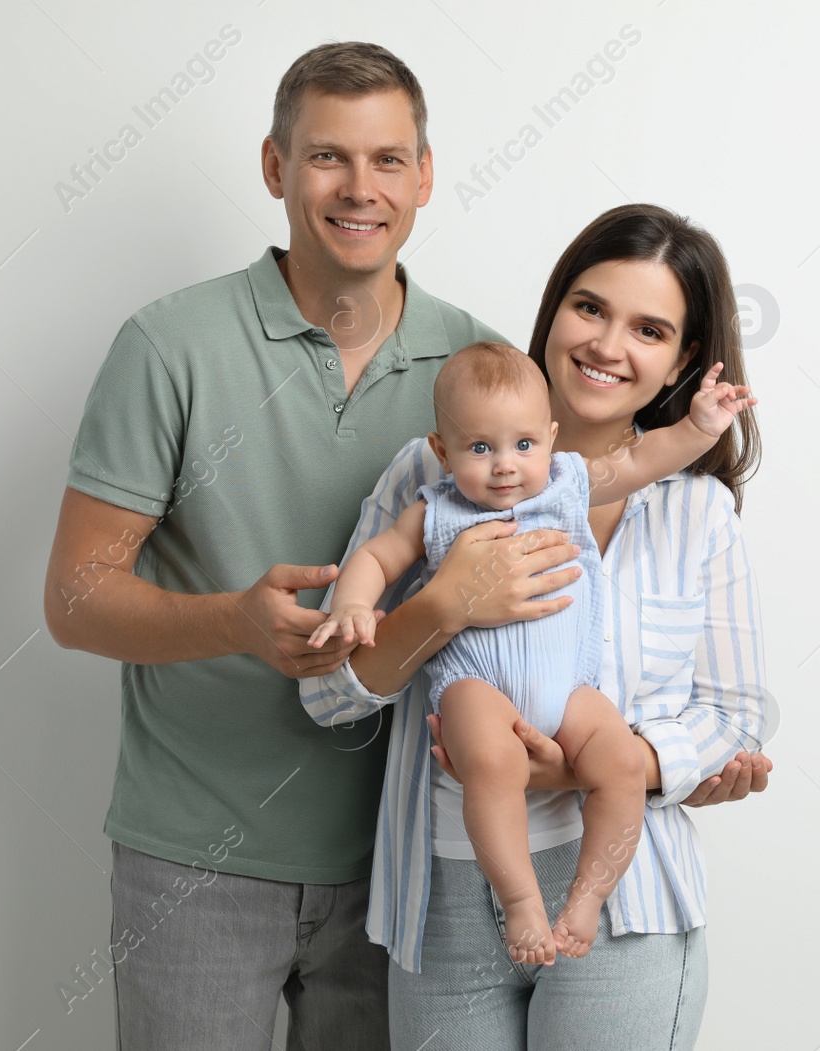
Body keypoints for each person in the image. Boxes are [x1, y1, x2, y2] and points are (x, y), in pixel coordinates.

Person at [41, 42, 565, 1050]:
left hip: (411, 858)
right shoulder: (168, 345)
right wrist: (235, 618)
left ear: (423, 174)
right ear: (276, 168)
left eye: (386, 159)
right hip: (193, 856)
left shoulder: (489, 376)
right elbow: (72, 600)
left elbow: (542, 590)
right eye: (327, 157)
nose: (359, 188)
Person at [299, 203, 775, 1049]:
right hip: (443, 899)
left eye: (650, 328)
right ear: (555, 309)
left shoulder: (698, 513)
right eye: (590, 307)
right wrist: (442, 603)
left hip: (627, 908)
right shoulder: (427, 475)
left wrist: (594, 766)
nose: (606, 343)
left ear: (684, 359)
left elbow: (732, 715)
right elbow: (326, 696)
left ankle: (582, 886)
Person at [307, 340, 756, 964]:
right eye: (479, 448)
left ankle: (587, 899)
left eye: (523, 445)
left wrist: (697, 427)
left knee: (622, 765)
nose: (504, 467)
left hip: (570, 686)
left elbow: (644, 459)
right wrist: (354, 605)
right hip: (476, 685)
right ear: (442, 451)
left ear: (548, 439)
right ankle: (520, 901)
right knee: (491, 766)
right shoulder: (435, 509)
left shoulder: (570, 482)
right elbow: (376, 559)